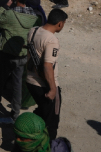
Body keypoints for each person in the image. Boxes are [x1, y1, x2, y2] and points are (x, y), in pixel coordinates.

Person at [0, 0, 42, 123]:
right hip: (23, 55)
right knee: (17, 85)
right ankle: (15, 114)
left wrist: (5, 7)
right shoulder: (34, 17)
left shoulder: (10, 14)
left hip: (7, 55)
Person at [25, 8, 68, 140]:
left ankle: (33, 137)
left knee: (42, 111)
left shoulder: (34, 30)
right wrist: (53, 89)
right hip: (44, 84)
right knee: (51, 123)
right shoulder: (51, 40)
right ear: (60, 24)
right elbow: (47, 65)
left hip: (30, 81)